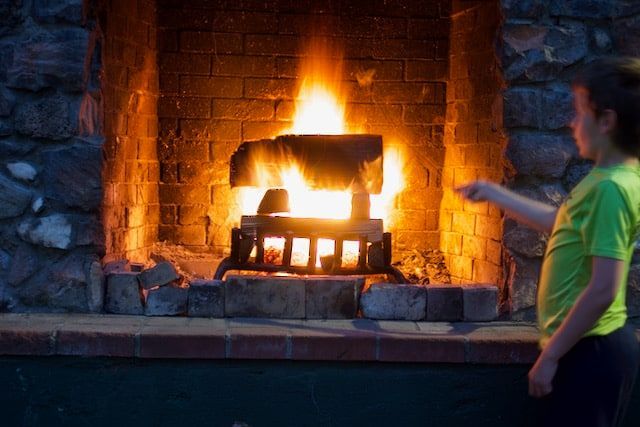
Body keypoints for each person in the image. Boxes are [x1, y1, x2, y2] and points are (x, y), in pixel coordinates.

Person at [456, 57, 640, 427]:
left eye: (578, 113)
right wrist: (495, 193)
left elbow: (604, 287)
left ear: (605, 121)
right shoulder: (609, 179)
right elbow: (561, 224)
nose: (571, 123)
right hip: (587, 348)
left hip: (590, 353)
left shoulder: (609, 189)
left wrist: (551, 356)